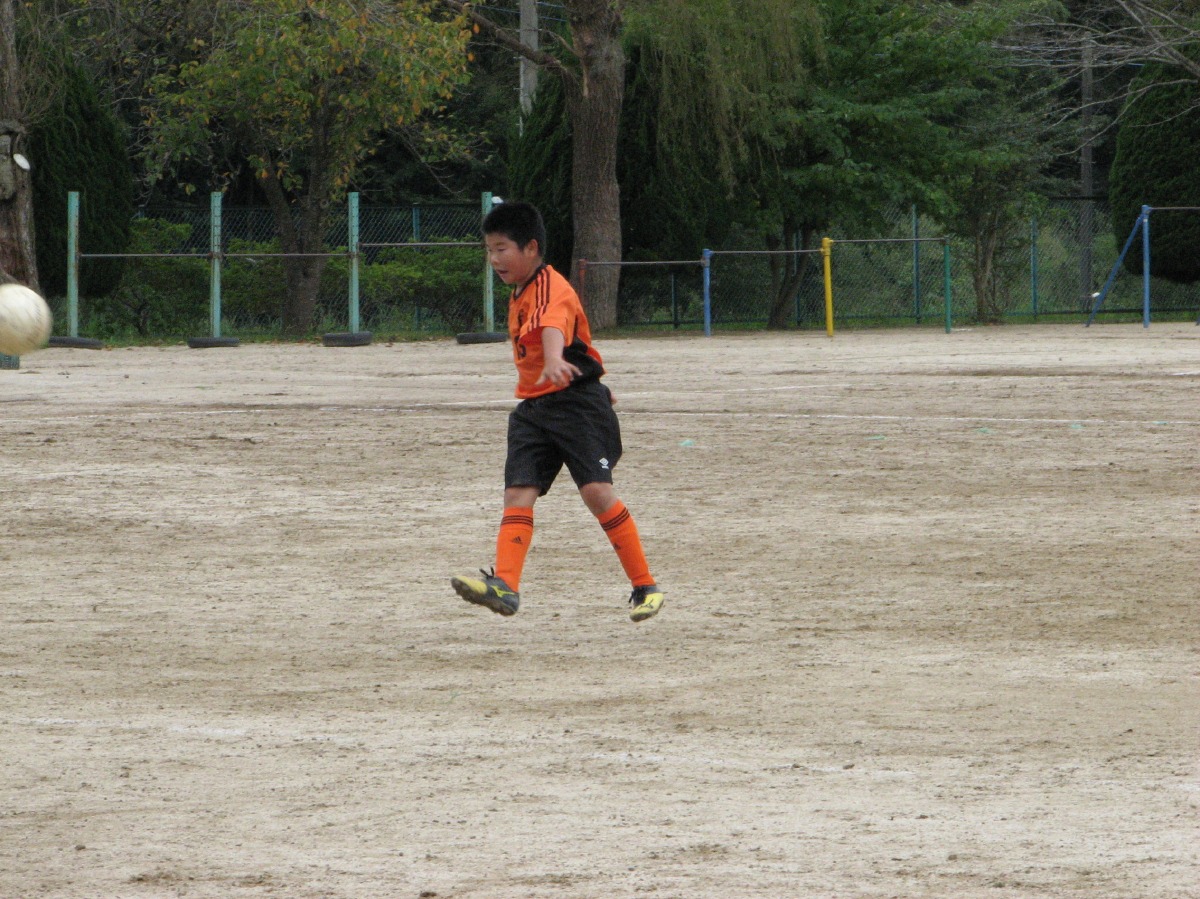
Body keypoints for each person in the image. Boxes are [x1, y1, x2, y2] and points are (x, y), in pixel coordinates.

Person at [451, 201, 664, 623]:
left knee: (596, 493)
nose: (494, 259)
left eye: (502, 249)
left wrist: (554, 360)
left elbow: (553, 326)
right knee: (518, 493)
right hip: (534, 408)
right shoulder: (520, 291)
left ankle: (645, 586)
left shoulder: (551, 287)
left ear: (531, 248)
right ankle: (505, 585)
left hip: (576, 404)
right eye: (489, 250)